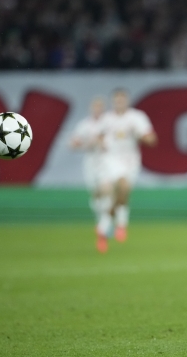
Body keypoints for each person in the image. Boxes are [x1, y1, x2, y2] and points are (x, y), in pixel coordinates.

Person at [96, 89, 157, 252]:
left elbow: (152, 139)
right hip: (110, 159)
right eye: (117, 100)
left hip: (130, 160)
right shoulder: (106, 119)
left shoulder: (137, 117)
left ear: (127, 101)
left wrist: (142, 136)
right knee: (113, 190)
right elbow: (99, 136)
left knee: (122, 194)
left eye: (122, 99)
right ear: (113, 102)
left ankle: (104, 227)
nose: (119, 103)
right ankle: (119, 226)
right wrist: (101, 142)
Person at [70, 97, 111, 251]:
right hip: (90, 163)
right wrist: (87, 143)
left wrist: (102, 143)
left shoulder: (108, 123)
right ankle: (102, 221)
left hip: (107, 162)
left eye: (100, 107)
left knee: (105, 190)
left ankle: (103, 227)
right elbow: (73, 143)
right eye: (95, 107)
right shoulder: (84, 125)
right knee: (95, 196)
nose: (97, 110)